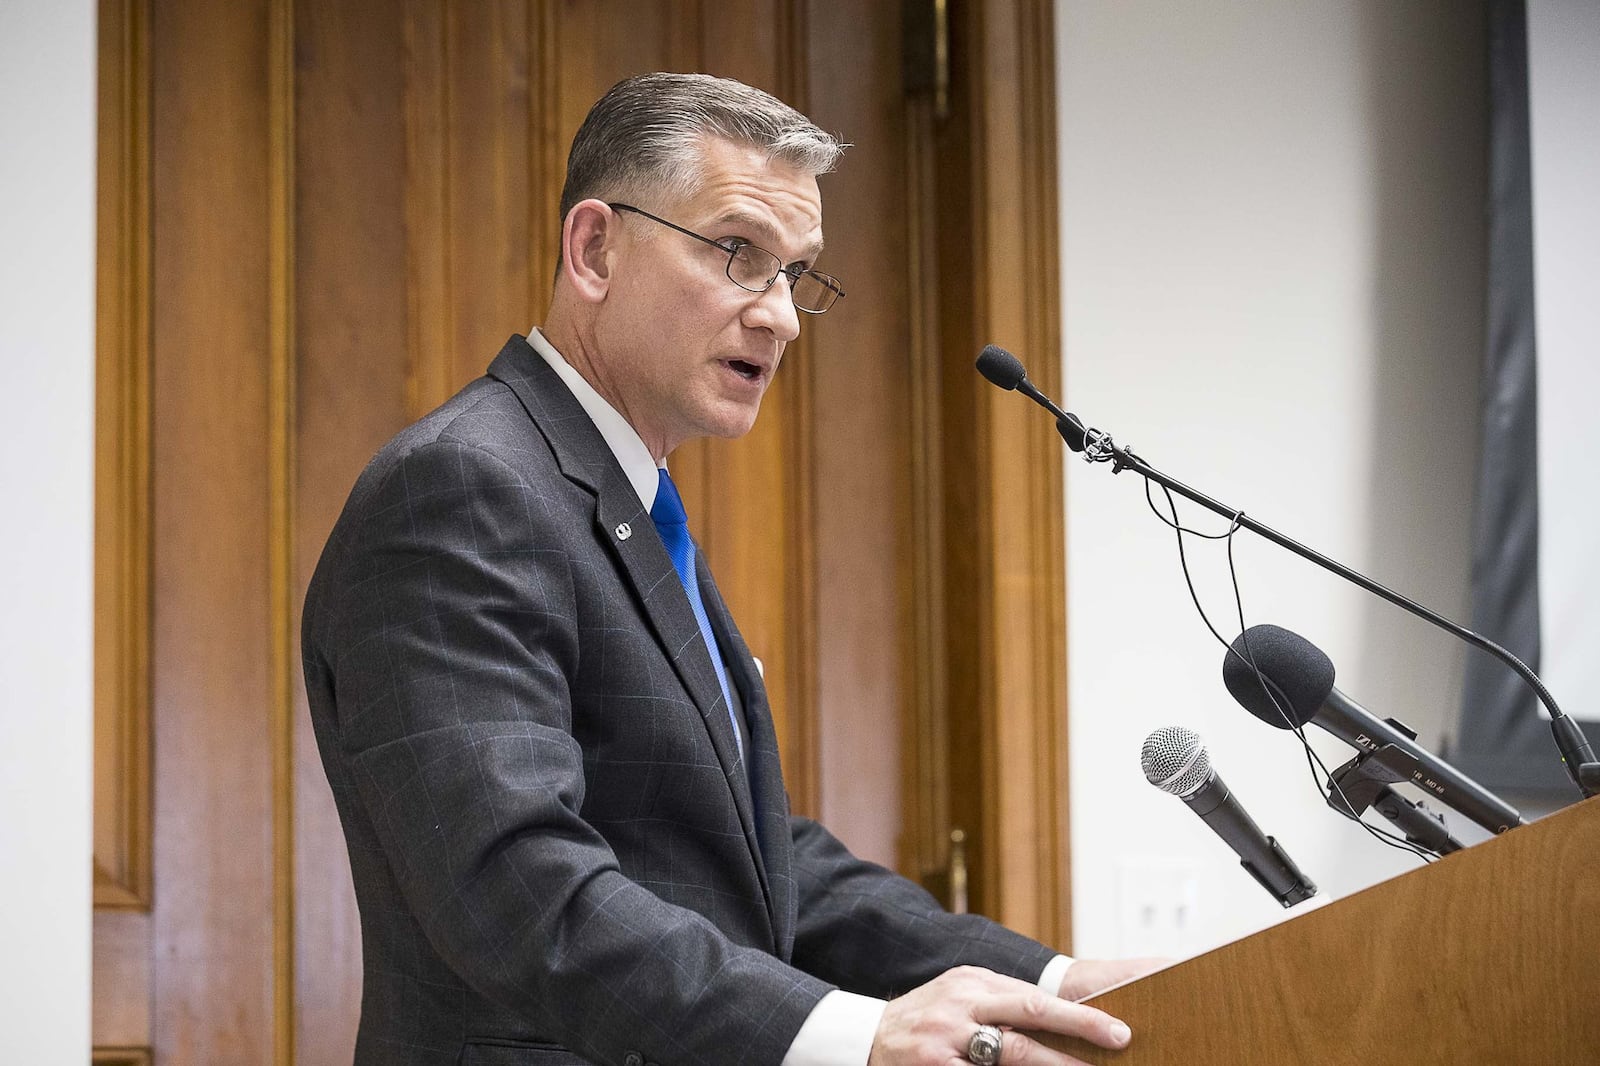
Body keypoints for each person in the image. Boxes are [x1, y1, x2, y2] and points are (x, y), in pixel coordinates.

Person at [303, 72, 1151, 1066]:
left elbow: (756, 856)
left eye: (796, 274)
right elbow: (511, 884)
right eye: (738, 253)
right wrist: (855, 1036)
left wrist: (1047, 980)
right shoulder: (464, 485)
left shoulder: (621, 500)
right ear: (594, 248)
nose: (781, 317)